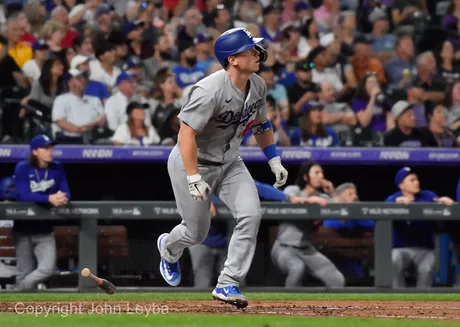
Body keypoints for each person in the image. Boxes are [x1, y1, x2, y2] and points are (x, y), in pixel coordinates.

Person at [156, 27, 288, 309]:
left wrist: (273, 158)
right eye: (249, 49)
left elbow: (261, 123)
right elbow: (186, 134)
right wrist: (193, 177)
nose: (256, 53)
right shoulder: (208, 89)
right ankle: (168, 249)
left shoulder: (258, 85)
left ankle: (228, 282)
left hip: (229, 162)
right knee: (196, 233)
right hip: (192, 162)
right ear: (233, 59)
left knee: (251, 213)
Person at [271, 160, 345, 288]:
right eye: (316, 172)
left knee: (337, 280)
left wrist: (332, 193)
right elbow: (289, 201)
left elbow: (343, 216)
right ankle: (287, 306)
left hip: (307, 249)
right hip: (284, 248)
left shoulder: (323, 198)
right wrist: (310, 200)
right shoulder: (293, 190)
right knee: (297, 268)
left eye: (321, 173)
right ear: (306, 177)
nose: (321, 176)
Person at [13, 134, 71, 290]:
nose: (50, 151)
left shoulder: (57, 168)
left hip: (45, 230)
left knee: (47, 269)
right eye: (45, 148)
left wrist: (62, 198)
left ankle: (18, 289)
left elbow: (66, 191)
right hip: (23, 229)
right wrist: (49, 198)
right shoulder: (22, 168)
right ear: (35, 151)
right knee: (24, 272)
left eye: (51, 147)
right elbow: (23, 195)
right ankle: (22, 309)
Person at [385, 167, 453, 288]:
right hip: (401, 249)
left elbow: (439, 203)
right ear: (402, 185)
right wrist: (396, 204)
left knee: (426, 269)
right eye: (412, 180)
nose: (417, 182)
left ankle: (421, 302)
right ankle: (397, 298)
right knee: (393, 259)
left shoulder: (428, 195)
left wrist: (445, 201)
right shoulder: (394, 198)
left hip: (425, 249)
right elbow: (384, 208)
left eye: (416, 179)